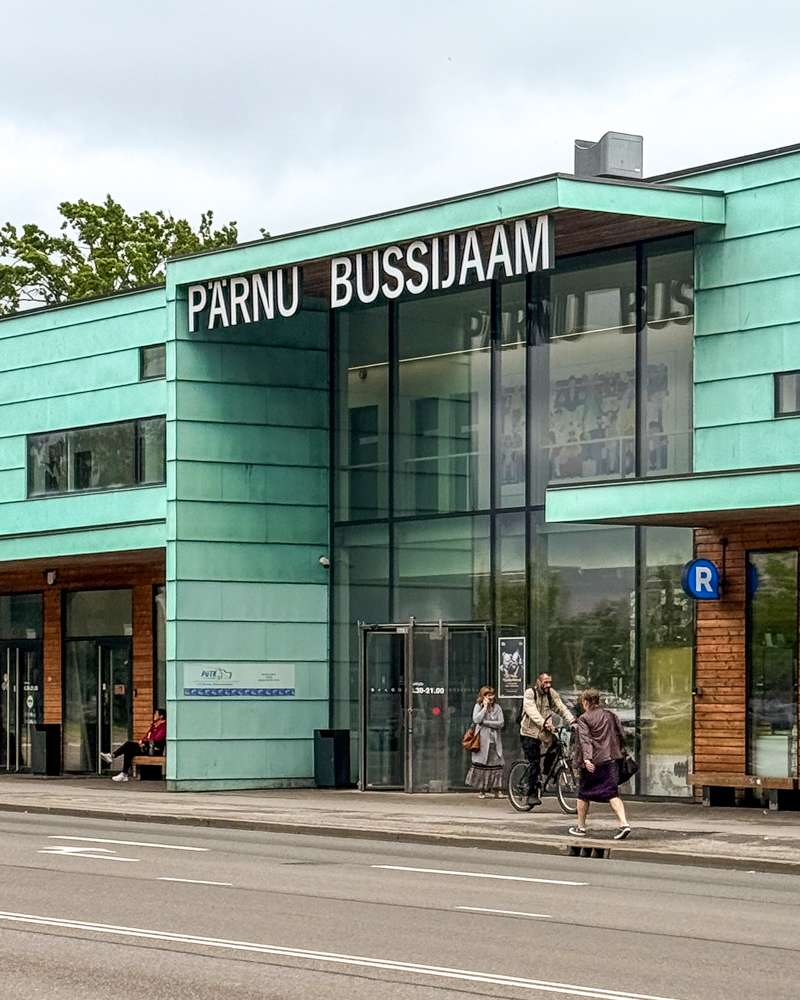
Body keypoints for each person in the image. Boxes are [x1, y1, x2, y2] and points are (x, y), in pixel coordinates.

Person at [568, 689, 631, 840]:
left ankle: (581, 827)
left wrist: (587, 759)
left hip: (594, 762)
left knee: (583, 794)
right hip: (611, 759)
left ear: (586, 702)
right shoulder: (610, 715)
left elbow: (585, 740)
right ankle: (624, 824)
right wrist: (622, 752)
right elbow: (621, 734)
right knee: (612, 793)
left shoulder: (584, 718)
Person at [520, 672, 575, 806]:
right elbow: (532, 712)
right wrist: (544, 723)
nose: (548, 685)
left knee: (557, 745)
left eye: (550, 682)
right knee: (534, 762)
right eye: (545, 682)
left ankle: (545, 773)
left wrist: (572, 721)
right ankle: (531, 794)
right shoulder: (530, 693)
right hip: (529, 732)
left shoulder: (551, 693)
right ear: (538, 682)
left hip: (545, 732)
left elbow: (561, 707)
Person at [101, 708, 166, 783]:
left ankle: (114, 759)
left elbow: (158, 738)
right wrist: (142, 741)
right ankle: (123, 773)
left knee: (129, 745)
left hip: (154, 749)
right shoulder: (154, 725)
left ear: (161, 716)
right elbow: (147, 736)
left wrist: (145, 743)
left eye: (156, 714)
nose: (154, 715)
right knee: (129, 749)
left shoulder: (163, 726)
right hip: (147, 747)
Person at [466, 686, 505, 799]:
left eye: (492, 695)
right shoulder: (478, 706)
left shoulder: (497, 707)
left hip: (495, 742)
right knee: (482, 766)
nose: (491, 697)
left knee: (497, 766)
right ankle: (482, 790)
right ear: (483, 696)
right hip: (482, 741)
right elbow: (476, 720)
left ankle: (497, 790)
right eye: (488, 695)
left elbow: (501, 723)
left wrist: (485, 723)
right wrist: (484, 708)